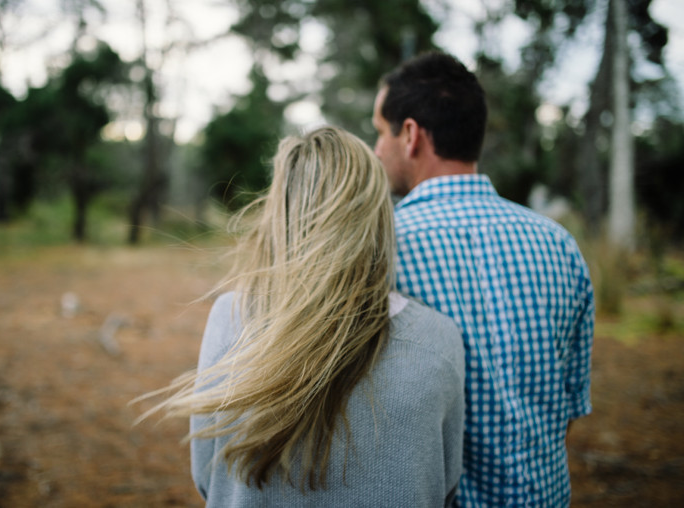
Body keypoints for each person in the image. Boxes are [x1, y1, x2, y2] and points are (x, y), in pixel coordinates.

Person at [135, 126, 465, 507]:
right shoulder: (438, 338)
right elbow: (444, 484)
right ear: (377, 214)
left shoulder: (231, 316)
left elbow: (207, 477)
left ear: (281, 211)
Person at [371, 51, 595, 507]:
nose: (377, 149)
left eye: (380, 132)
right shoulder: (559, 245)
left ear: (410, 135)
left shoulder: (381, 251)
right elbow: (568, 407)